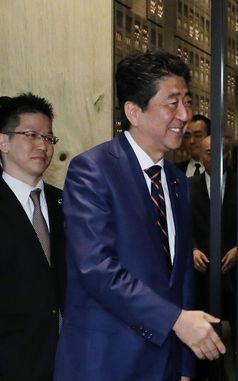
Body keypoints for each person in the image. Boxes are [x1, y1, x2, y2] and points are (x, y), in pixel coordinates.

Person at [54, 52, 225, 381]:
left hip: (165, 364)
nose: (185, 115)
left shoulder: (176, 181)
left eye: (187, 102)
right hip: (107, 361)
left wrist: (186, 364)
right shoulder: (92, 170)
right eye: (171, 103)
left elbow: (182, 276)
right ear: (134, 111)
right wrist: (176, 321)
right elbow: (97, 269)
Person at [0, 93, 66, 381]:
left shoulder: (66, 203)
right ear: (3, 142)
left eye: (49, 138)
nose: (43, 145)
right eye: (31, 134)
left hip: (65, 360)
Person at [189, 136, 237, 380]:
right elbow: (181, 227)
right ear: (200, 155)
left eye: (222, 152)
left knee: (236, 342)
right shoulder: (188, 185)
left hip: (235, 278)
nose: (215, 158)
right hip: (201, 277)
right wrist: (193, 249)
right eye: (209, 152)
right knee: (203, 343)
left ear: (229, 156)